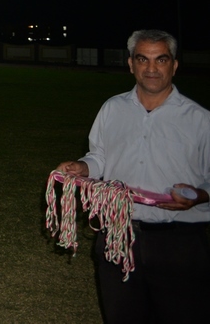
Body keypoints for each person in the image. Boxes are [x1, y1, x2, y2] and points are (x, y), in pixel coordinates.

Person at [56, 29, 210, 323]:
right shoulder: (113, 109)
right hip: (117, 236)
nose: (152, 68)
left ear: (174, 65)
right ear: (131, 64)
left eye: (161, 59)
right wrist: (83, 167)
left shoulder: (200, 120)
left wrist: (200, 195)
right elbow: (99, 156)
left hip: (179, 244)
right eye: (143, 59)